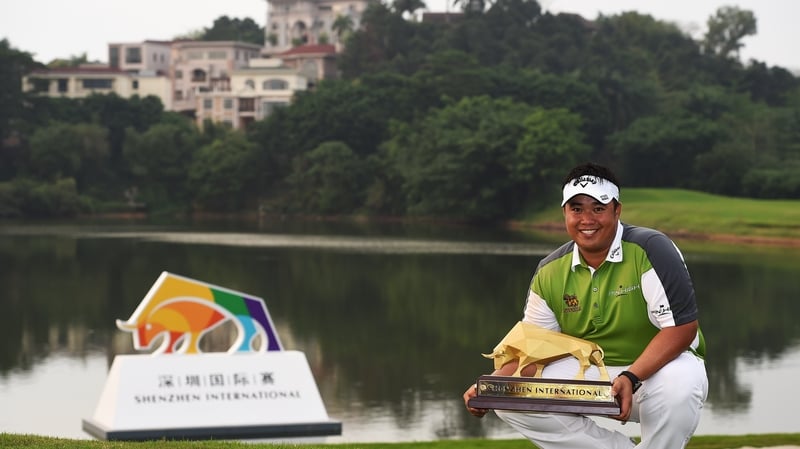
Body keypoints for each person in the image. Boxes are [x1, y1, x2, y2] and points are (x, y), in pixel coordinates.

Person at [463, 162, 708, 449]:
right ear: (565, 213)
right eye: (576, 208)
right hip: (595, 375)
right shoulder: (550, 270)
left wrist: (631, 376)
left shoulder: (652, 248)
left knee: (679, 385)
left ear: (617, 210)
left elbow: (682, 330)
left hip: (657, 373)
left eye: (598, 207)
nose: (587, 219)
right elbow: (533, 351)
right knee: (510, 394)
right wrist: (489, 386)